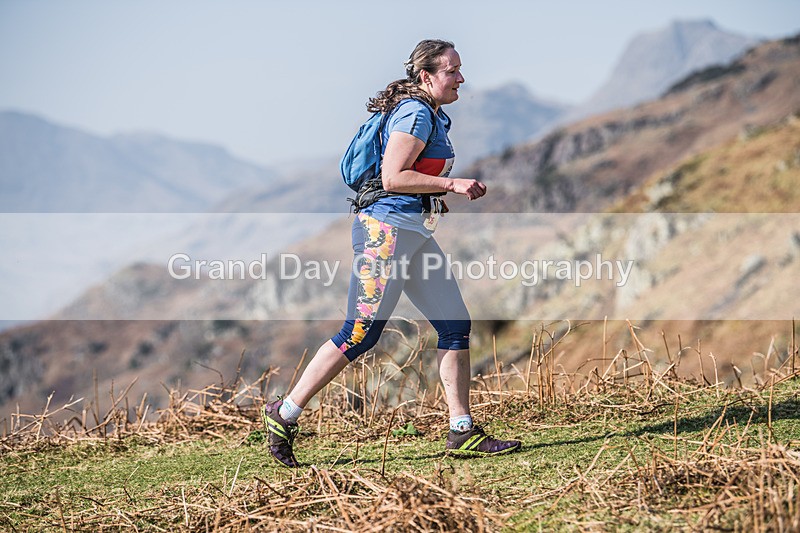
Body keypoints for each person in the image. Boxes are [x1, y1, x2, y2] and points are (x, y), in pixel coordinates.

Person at [261, 39, 521, 467]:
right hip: (385, 232)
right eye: (452, 70)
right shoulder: (415, 113)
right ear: (426, 77)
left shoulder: (435, 115)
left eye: (460, 69)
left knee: (455, 324)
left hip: (414, 233)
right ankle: (284, 414)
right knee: (360, 333)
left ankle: (462, 432)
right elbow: (394, 176)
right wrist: (451, 185)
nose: (461, 78)